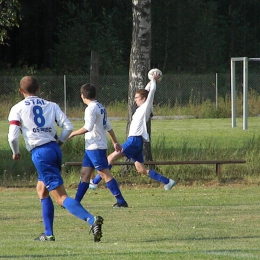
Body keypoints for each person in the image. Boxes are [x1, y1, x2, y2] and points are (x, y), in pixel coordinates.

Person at [8, 76, 103, 242]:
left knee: (60, 197)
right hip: (54, 148)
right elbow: (68, 127)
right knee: (42, 190)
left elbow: (13, 137)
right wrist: (60, 142)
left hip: (40, 152)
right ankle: (48, 234)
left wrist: (15, 152)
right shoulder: (51, 105)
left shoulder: (17, 108)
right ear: (38, 89)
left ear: (21, 91)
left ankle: (91, 220)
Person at [90, 71, 176, 191]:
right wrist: (150, 82)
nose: (135, 100)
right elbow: (146, 91)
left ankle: (94, 182)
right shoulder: (141, 108)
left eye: (137, 98)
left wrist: (154, 81)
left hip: (134, 140)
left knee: (110, 158)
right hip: (137, 142)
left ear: (144, 99)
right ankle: (168, 182)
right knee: (141, 169)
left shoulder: (146, 106)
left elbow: (151, 93)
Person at [67, 83, 128, 208]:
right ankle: (76, 202)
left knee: (104, 173)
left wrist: (72, 133)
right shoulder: (100, 107)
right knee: (85, 174)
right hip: (91, 147)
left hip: (95, 146)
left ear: (83, 96)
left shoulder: (91, 108)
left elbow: (88, 127)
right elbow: (109, 127)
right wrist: (115, 142)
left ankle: (121, 201)